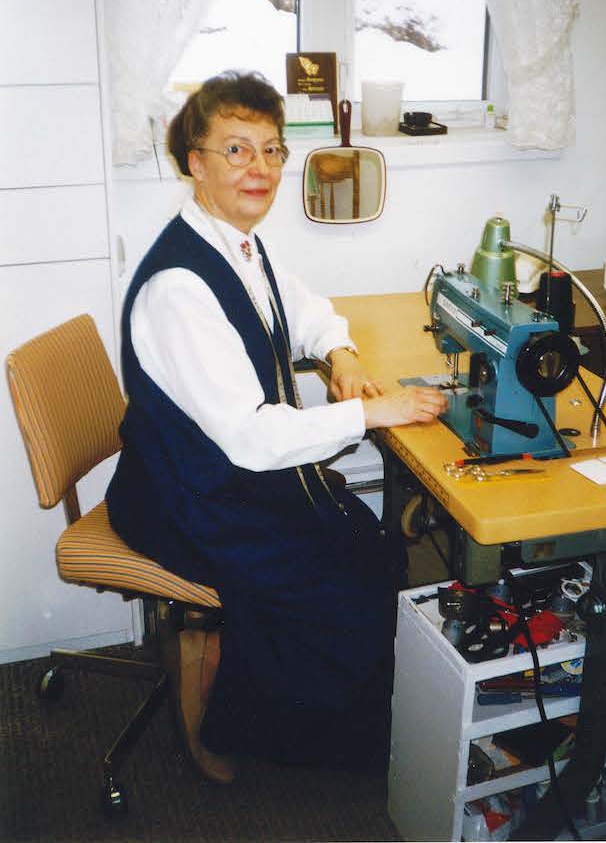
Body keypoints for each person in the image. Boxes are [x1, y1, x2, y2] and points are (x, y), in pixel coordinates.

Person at [106, 70, 447, 783]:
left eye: (270, 150)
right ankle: (251, 729)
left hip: (214, 475)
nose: (258, 168)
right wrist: (369, 412)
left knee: (368, 544)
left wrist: (341, 354)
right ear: (194, 163)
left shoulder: (238, 242)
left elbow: (303, 308)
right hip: (181, 498)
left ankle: (303, 700)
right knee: (346, 574)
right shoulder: (180, 287)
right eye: (235, 150)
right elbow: (251, 436)